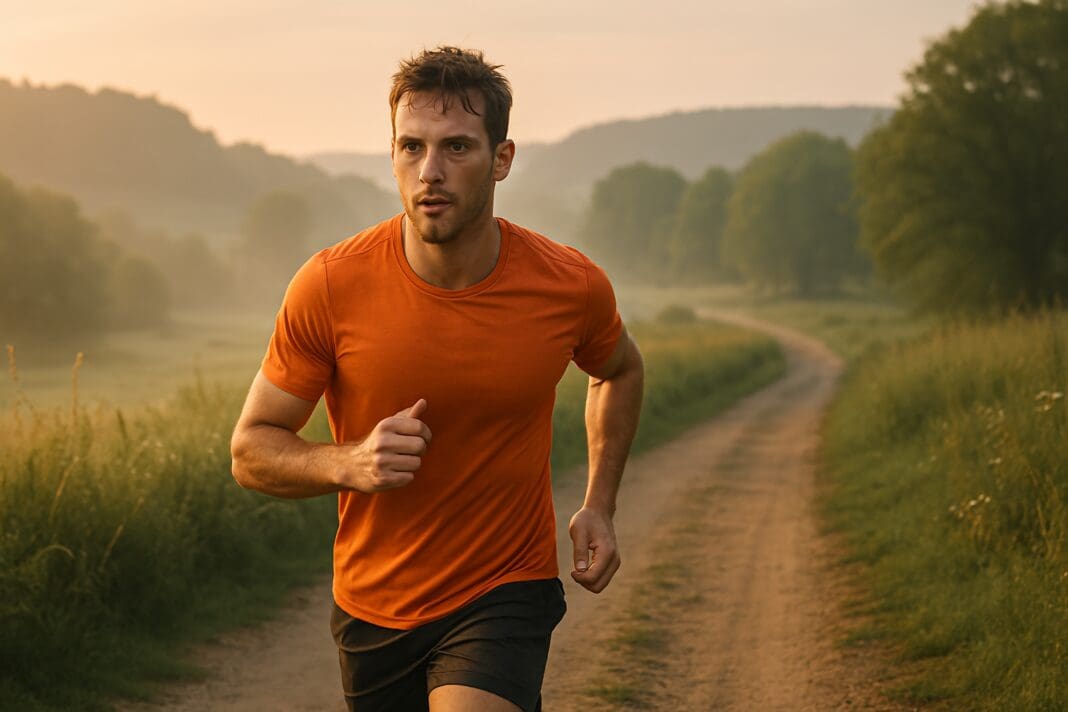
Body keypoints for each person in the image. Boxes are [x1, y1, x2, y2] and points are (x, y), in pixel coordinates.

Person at [230, 46, 644, 712]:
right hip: (373, 603)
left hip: (506, 587)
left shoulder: (568, 285)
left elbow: (618, 370)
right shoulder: (330, 285)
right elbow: (251, 450)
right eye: (411, 147)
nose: (430, 172)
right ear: (392, 155)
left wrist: (600, 501)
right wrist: (349, 462)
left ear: (501, 159)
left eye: (456, 147)